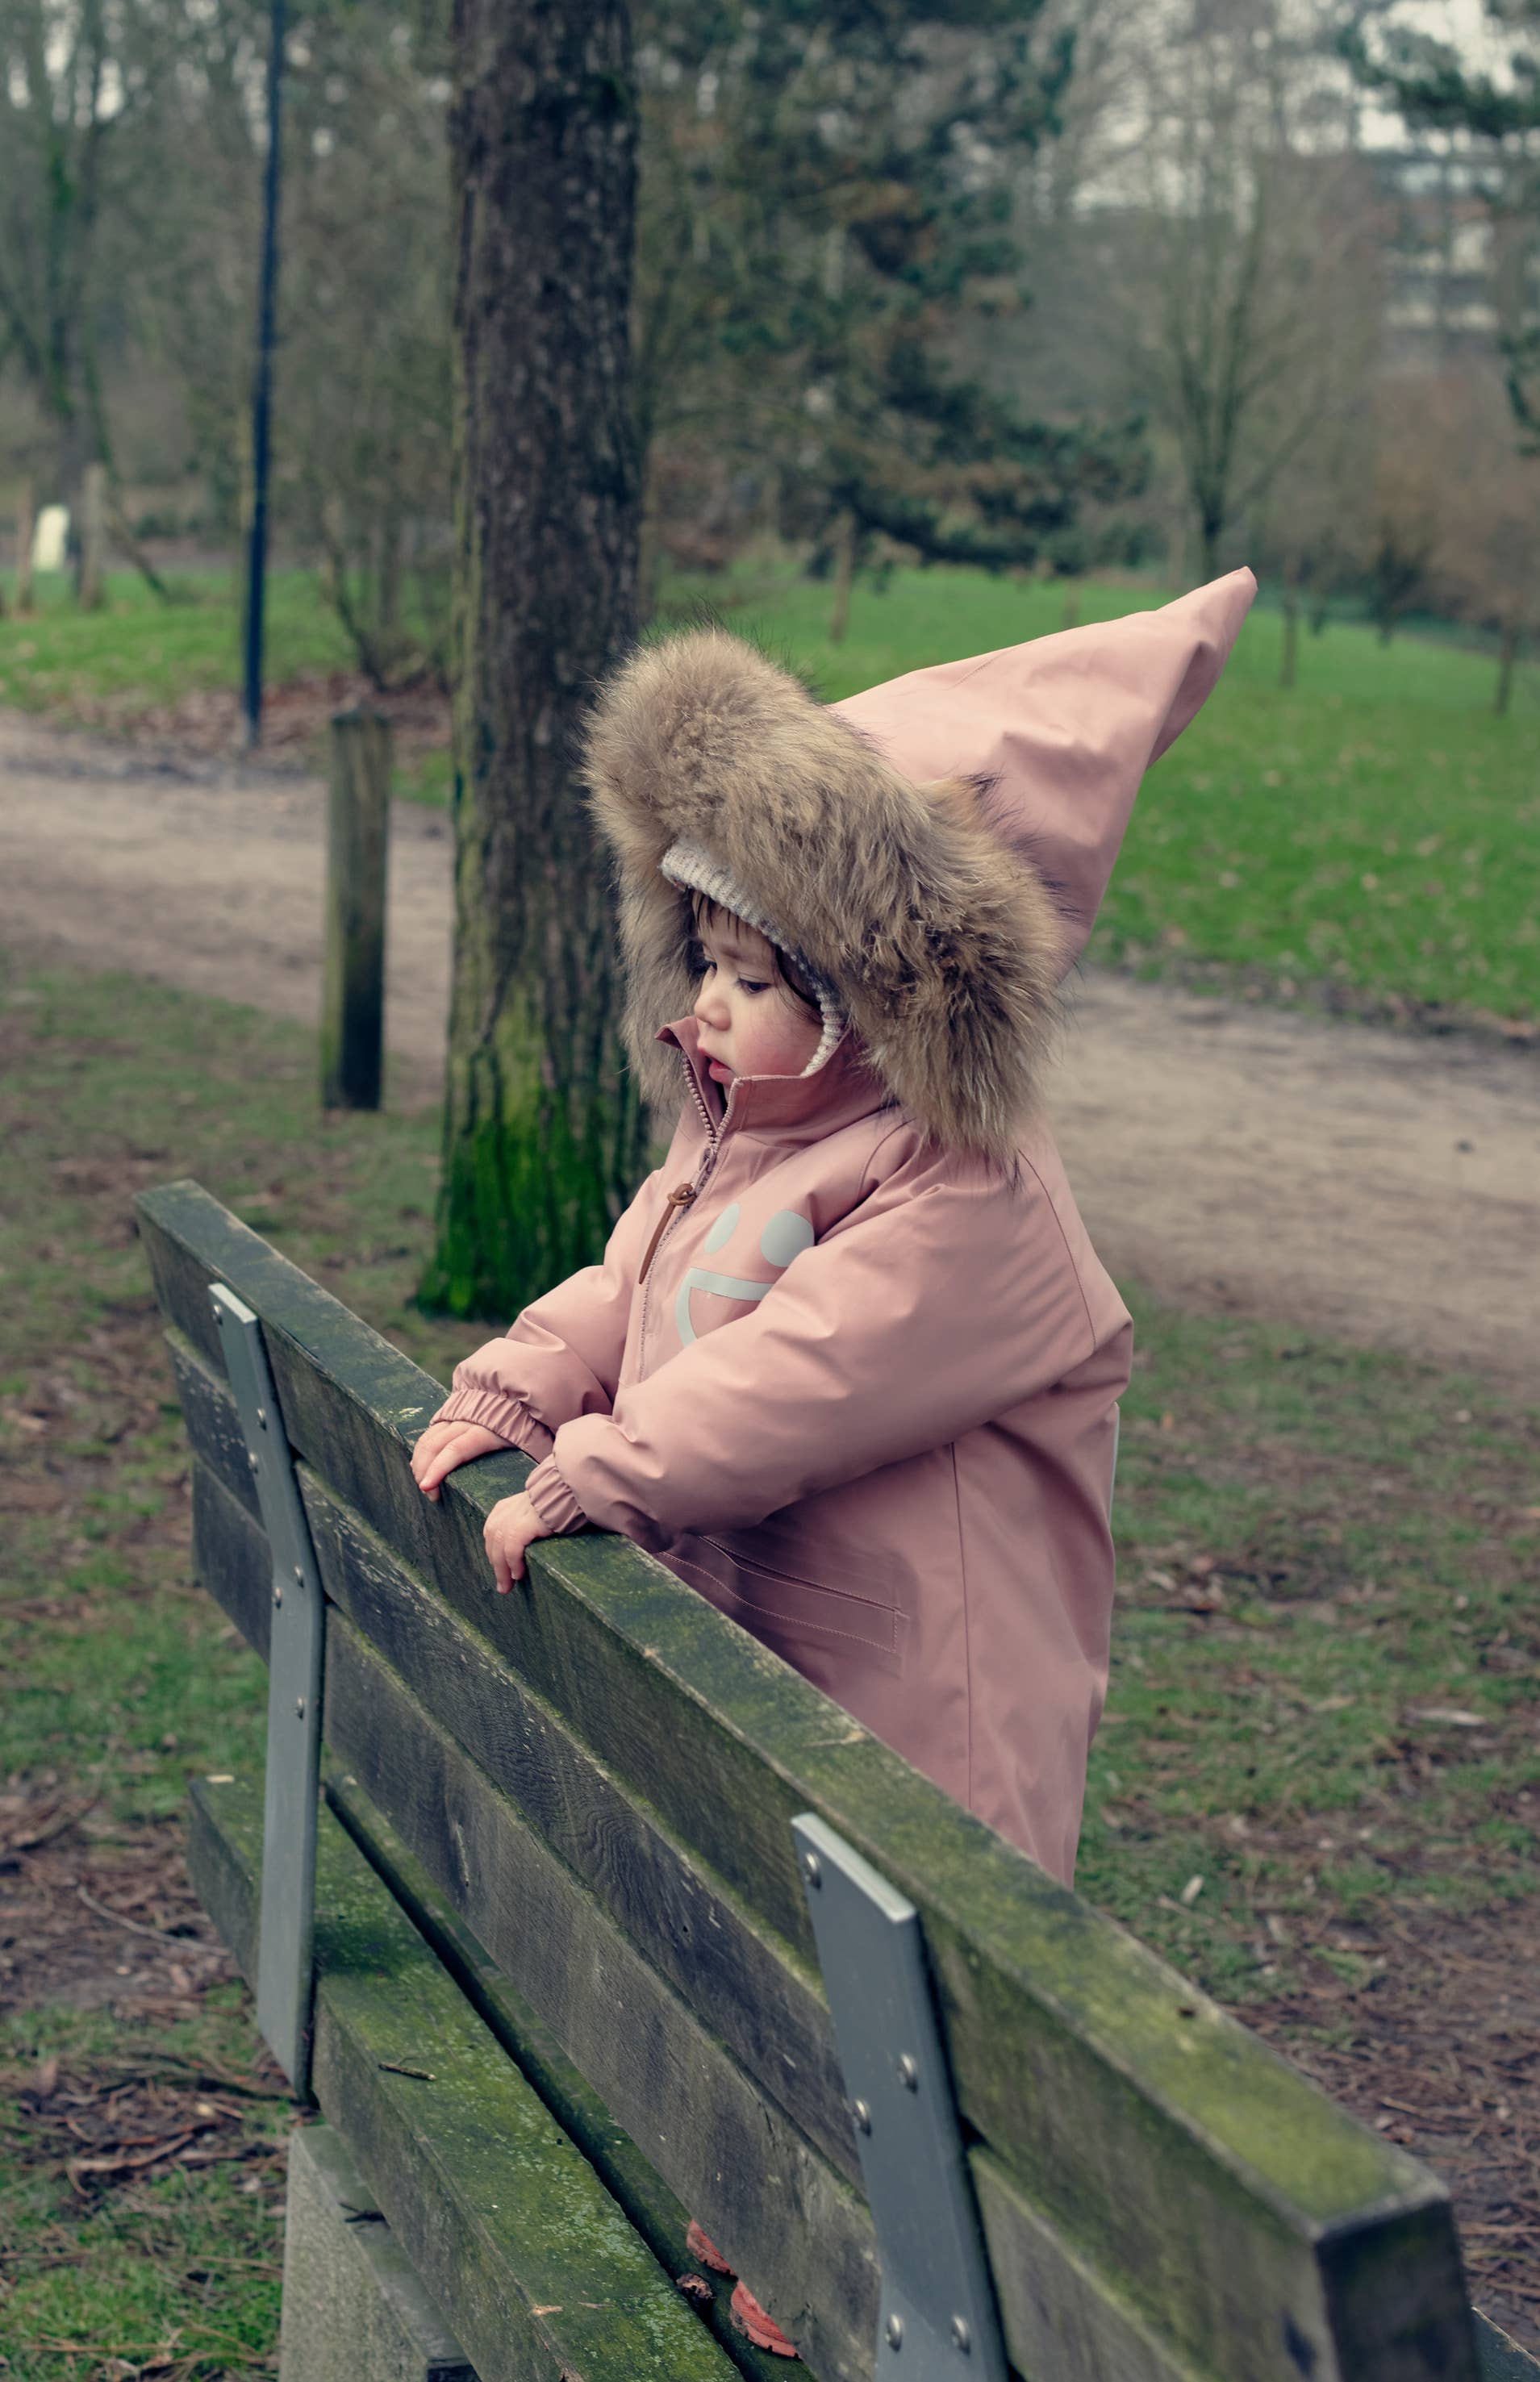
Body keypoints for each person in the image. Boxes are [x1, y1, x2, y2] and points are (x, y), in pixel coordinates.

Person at [411, 570, 1255, 1888]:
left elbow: (803, 1371)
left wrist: (600, 1469)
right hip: (790, 1690)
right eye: (704, 961)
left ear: (883, 1006)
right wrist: (520, 1388)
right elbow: (634, 1278)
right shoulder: (754, 1127)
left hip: (924, 1746)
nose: (708, 1003)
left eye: (751, 978)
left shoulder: (973, 1198)